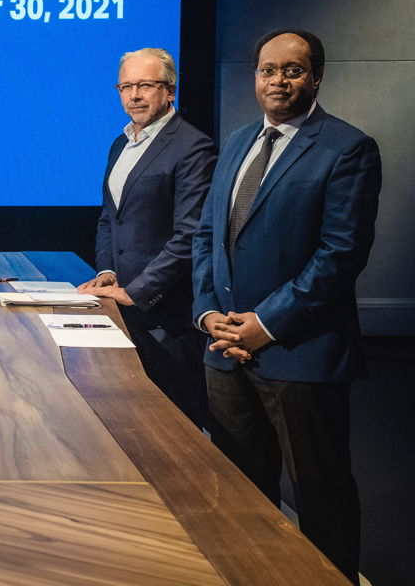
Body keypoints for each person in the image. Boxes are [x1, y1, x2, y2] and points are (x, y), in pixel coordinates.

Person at [192, 29, 381, 582]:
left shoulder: (347, 148)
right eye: (267, 70)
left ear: (316, 77)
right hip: (225, 351)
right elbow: (207, 237)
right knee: (239, 494)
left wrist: (266, 324)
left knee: (320, 497)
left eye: (292, 70)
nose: (278, 80)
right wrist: (208, 315)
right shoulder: (236, 142)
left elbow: (340, 256)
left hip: (300, 355)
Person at [78, 48, 216, 426]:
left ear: (170, 90)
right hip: (121, 307)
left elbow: (189, 235)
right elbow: (110, 218)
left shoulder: (193, 146)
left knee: (178, 426)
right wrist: (106, 271)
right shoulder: (120, 144)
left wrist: (137, 291)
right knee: (132, 422)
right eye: (125, 86)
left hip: (166, 316)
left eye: (144, 85)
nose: (133, 95)